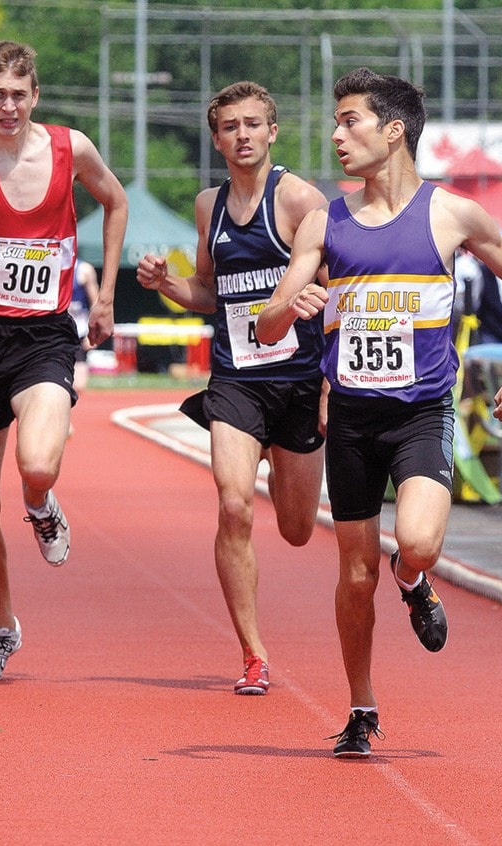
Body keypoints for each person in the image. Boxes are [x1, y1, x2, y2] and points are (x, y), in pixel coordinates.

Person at [256, 67, 502, 754]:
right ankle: (360, 708)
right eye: (335, 120)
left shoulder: (450, 214)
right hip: (350, 420)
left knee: (415, 542)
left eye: (349, 119)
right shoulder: (326, 221)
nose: (334, 134)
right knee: (352, 576)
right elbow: (265, 326)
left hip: (419, 414)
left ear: (392, 130)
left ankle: (412, 580)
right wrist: (286, 308)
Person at [0, 40, 128, 681]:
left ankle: (41, 503)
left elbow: (116, 202)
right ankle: (4, 626)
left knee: (37, 463)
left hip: (43, 334)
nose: (7, 105)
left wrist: (108, 297)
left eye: (19, 93)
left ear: (35, 95)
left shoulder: (72, 149)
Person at [136, 81, 328, 696]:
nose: (241, 135)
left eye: (253, 124)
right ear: (215, 138)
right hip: (237, 380)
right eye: (229, 127)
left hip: (298, 382)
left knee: (298, 530)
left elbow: (340, 291)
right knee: (232, 504)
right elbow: (209, 291)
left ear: (273, 131)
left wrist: (330, 378)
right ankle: (252, 652)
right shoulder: (207, 206)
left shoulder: (300, 199)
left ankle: (278, 456)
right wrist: (167, 284)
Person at [68, 258, 101, 393]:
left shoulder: (84, 269)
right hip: (56, 328)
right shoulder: (49, 264)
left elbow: (95, 301)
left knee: (79, 386)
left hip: (79, 328)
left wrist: (93, 331)